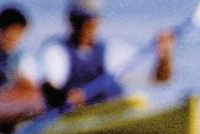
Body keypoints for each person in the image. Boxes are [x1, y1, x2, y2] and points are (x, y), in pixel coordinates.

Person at [39, 0, 175, 108]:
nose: (85, 27)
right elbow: (49, 89)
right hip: (73, 118)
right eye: (80, 21)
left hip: (111, 113)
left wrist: (164, 55)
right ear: (70, 20)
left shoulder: (113, 50)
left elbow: (161, 79)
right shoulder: (55, 51)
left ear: (97, 22)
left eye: (89, 21)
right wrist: (66, 97)